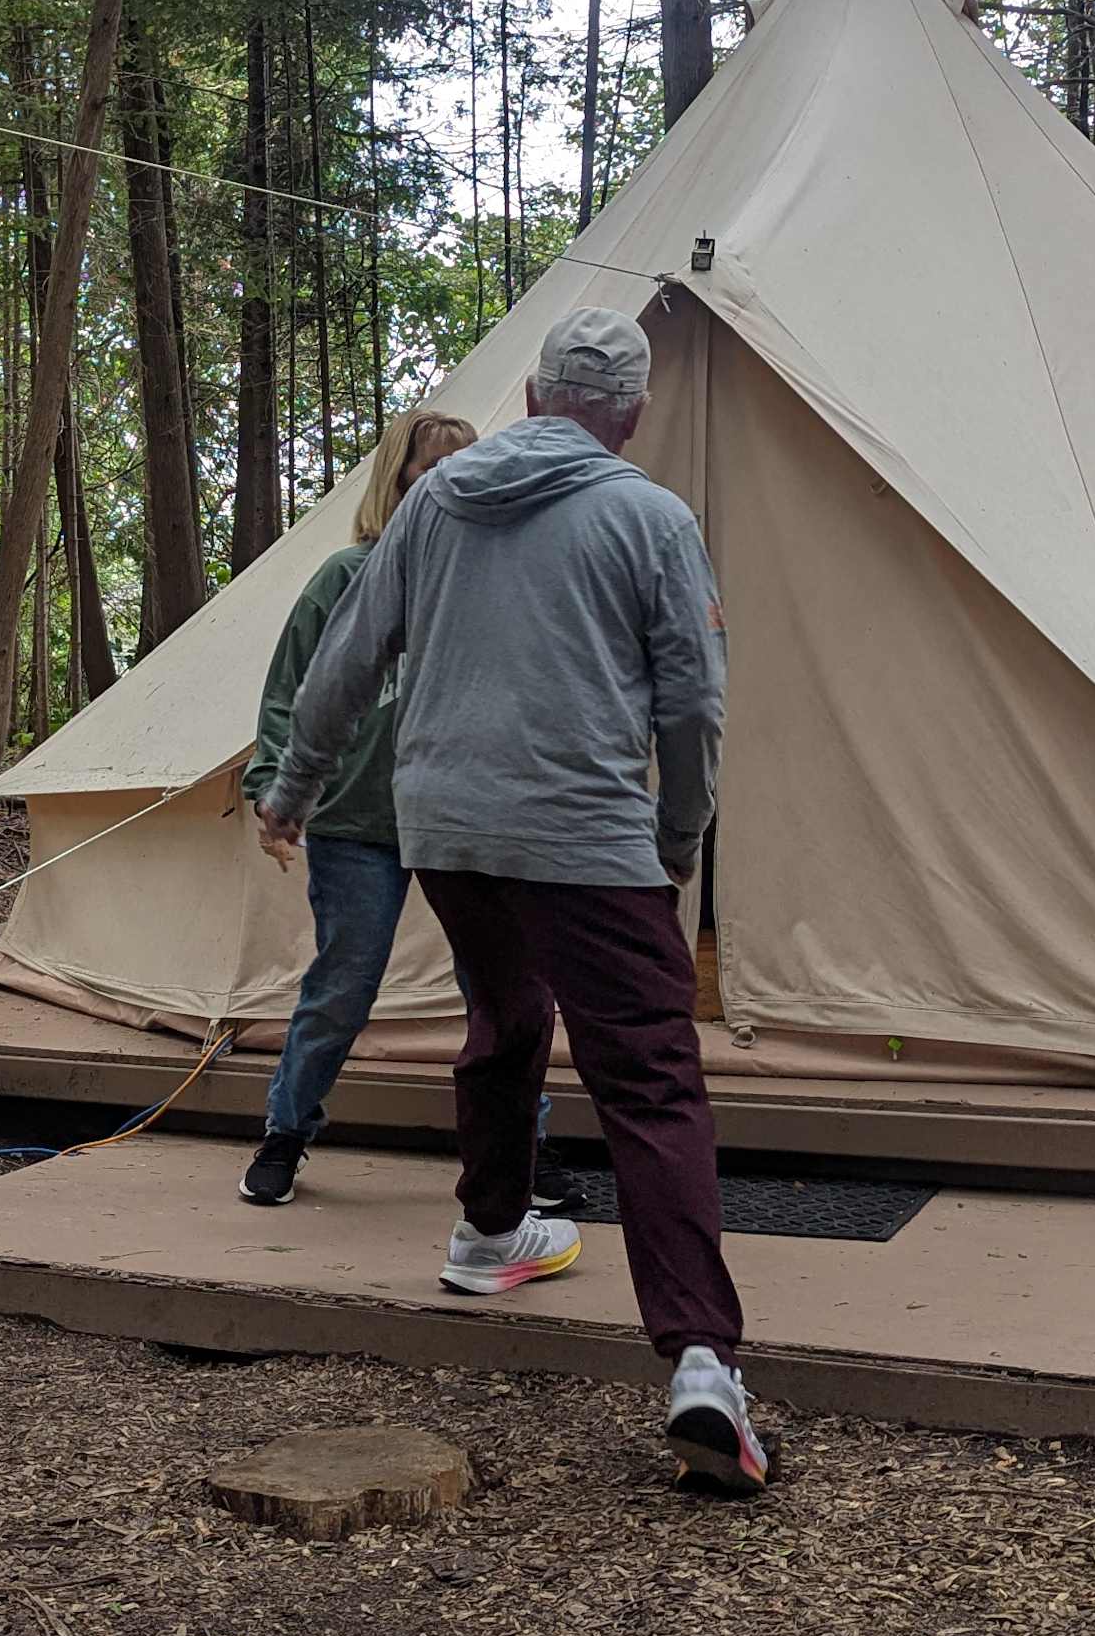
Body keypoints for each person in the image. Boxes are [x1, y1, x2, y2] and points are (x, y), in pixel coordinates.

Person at [255, 306, 767, 1497]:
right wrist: (678, 837)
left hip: (450, 831)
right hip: (584, 836)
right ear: (629, 418)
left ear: (534, 398)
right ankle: (701, 1358)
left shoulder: (433, 504)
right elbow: (693, 701)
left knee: (504, 1015)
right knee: (648, 1077)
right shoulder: (650, 516)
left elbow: (348, 655)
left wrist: (292, 789)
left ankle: (491, 1230)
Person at [238, 410, 563, 1212]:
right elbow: (292, 694)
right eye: (430, 470)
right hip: (359, 821)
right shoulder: (346, 578)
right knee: (343, 985)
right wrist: (273, 788)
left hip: (464, 817)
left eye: (463, 471)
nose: (447, 485)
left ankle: (526, 1151)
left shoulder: (490, 586)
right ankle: (285, 1132)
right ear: (399, 480)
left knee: (501, 989)